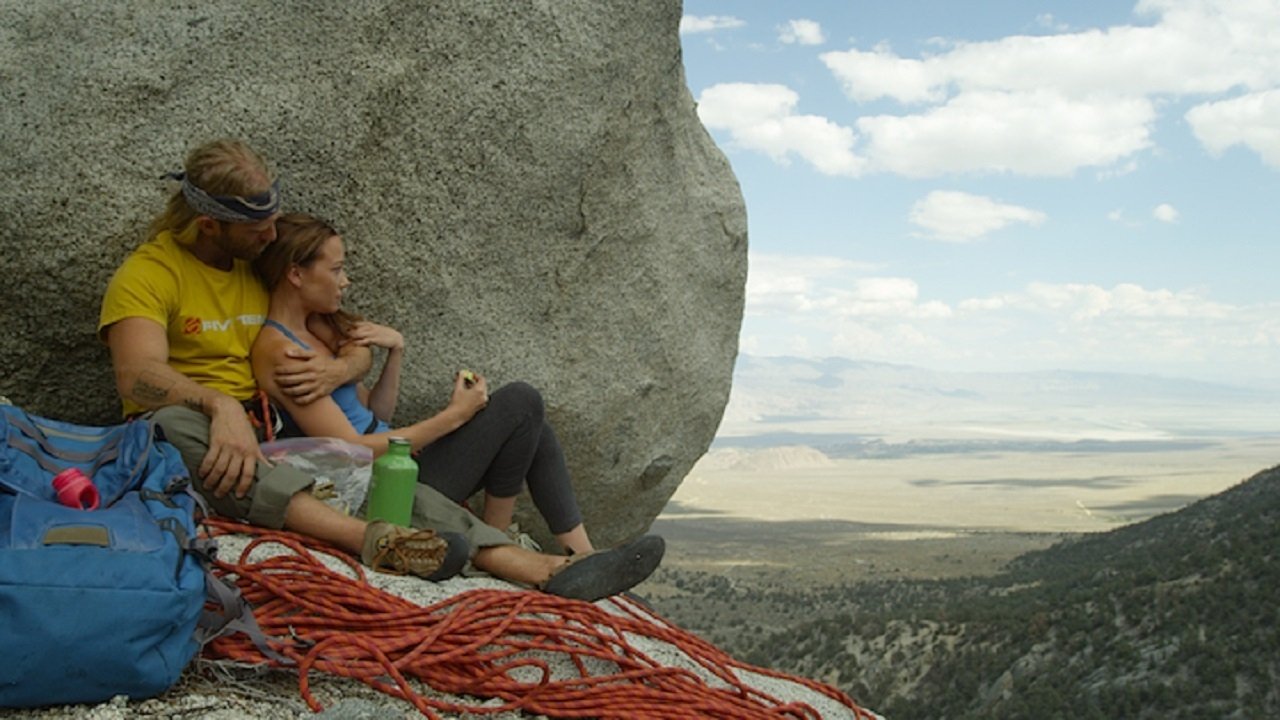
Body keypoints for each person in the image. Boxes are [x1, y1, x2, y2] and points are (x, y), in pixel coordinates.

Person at [98, 139, 662, 602]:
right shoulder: (150, 275)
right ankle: (376, 542)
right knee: (172, 424)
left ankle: (545, 570)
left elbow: (336, 333)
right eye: (258, 228)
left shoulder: (252, 267)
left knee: (398, 485)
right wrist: (219, 406)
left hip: (272, 436)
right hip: (196, 434)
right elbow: (137, 375)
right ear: (209, 224)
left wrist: (344, 365)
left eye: (272, 222)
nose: (270, 236)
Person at [251, 213, 618, 559]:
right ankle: (500, 542)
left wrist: (395, 351)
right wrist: (455, 415)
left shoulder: (314, 332)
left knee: (533, 426)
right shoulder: (283, 353)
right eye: (336, 270)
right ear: (295, 274)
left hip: (397, 465)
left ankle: (581, 554)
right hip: (380, 487)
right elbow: (351, 449)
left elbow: (375, 413)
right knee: (521, 402)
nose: (345, 281)